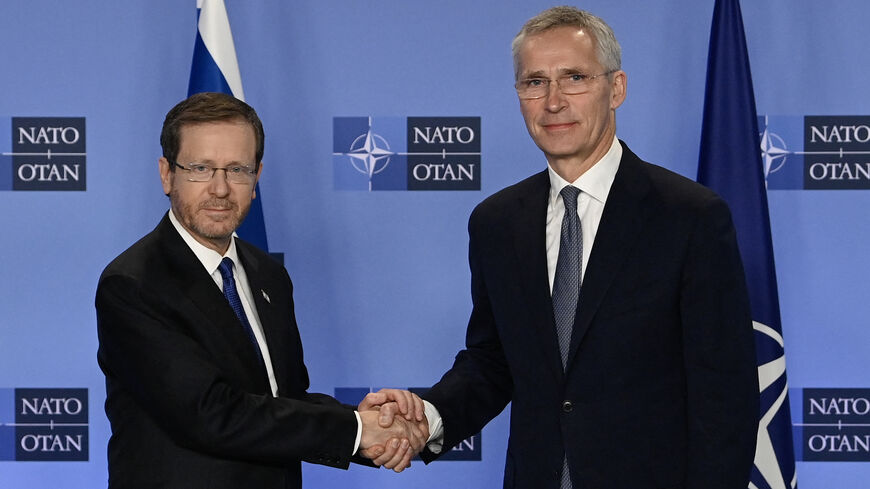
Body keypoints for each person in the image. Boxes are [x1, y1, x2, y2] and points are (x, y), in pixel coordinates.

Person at [371, 6, 759, 489]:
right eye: (534, 82)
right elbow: (493, 362)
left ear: (616, 88)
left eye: (574, 77)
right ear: (519, 96)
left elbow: (726, 396)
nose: (553, 101)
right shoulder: (496, 223)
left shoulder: (690, 216)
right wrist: (427, 417)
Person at [95, 92, 426, 489]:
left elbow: (282, 400)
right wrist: (355, 429)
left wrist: (373, 425)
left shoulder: (267, 273)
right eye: (201, 168)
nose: (220, 189)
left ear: (257, 178)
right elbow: (211, 415)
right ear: (167, 174)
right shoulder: (134, 284)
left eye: (237, 170)